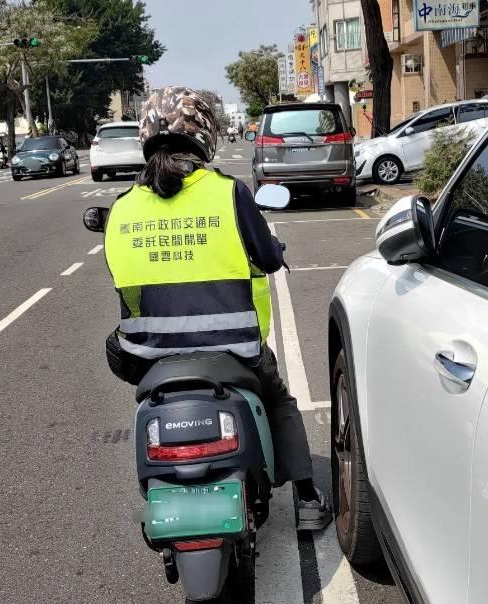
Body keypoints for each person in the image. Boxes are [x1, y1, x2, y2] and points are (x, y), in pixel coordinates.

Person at [103, 86, 331, 531]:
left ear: (146, 133)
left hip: (148, 356)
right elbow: (266, 259)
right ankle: (306, 498)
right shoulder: (228, 193)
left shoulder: (123, 207)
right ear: (204, 132)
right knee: (279, 399)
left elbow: (119, 279)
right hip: (234, 350)